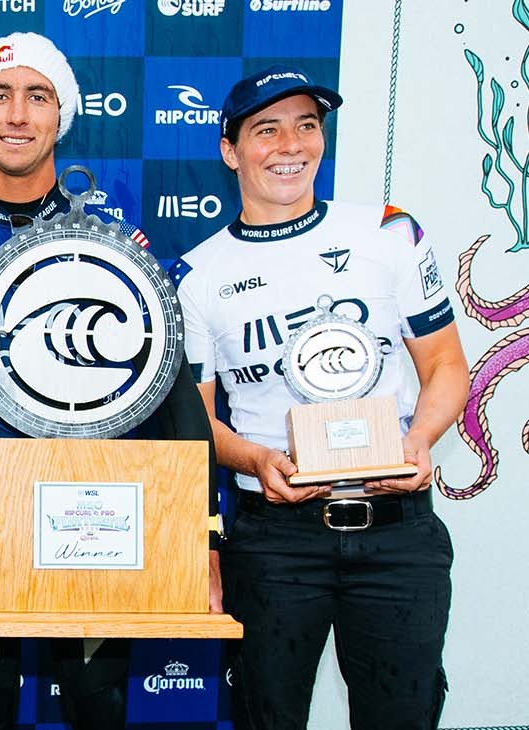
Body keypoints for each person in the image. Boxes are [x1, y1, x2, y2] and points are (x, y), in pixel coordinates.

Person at [0, 32, 219, 729]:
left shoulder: (120, 243)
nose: (17, 114)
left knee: (97, 706)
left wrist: (204, 536)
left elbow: (174, 400)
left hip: (97, 513)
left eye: (37, 96)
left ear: (62, 116)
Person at [171, 65, 470, 729]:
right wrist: (255, 460)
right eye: (267, 130)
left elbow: (447, 364)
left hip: (397, 530)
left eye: (306, 126)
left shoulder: (389, 231)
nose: (291, 145)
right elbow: (197, 420)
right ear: (230, 151)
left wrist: (419, 439)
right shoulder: (196, 275)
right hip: (277, 540)